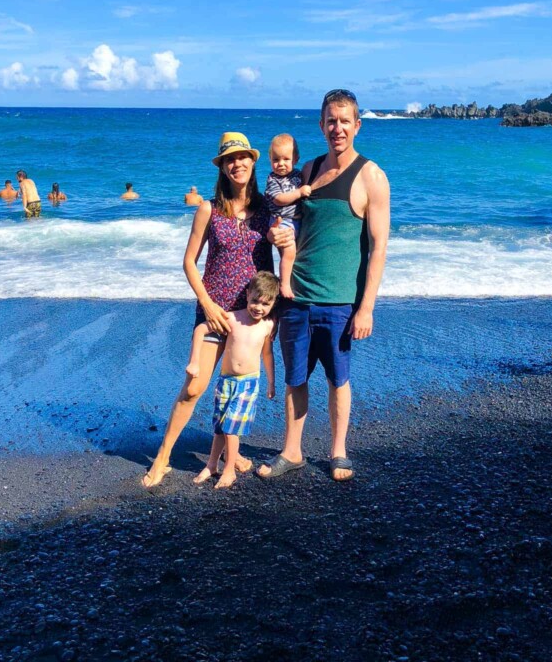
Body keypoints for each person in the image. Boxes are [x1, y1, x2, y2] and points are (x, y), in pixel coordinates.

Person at [258, 89, 390, 482]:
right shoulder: (307, 171)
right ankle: (293, 451)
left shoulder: (371, 176)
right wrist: (274, 237)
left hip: (339, 303)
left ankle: (338, 452)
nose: (337, 128)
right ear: (321, 125)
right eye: (331, 120)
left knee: (338, 379)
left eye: (345, 120)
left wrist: (366, 307)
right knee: (295, 378)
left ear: (357, 126)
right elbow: (283, 218)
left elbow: (379, 247)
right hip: (296, 296)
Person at [142, 131, 274, 488]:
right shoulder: (208, 209)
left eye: (242, 157)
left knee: (238, 385)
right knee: (193, 389)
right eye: (230, 159)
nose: (237, 164)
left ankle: (232, 455)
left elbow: (286, 248)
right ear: (222, 167)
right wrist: (207, 303)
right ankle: (163, 457)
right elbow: (188, 262)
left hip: (250, 316)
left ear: (252, 161)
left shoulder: (266, 210)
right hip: (214, 313)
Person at [190, 271, 278, 489]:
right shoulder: (232, 318)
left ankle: (229, 470)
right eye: (255, 300)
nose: (259, 307)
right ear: (247, 295)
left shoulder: (267, 326)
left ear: (273, 304)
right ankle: (212, 465)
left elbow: (267, 354)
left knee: (231, 428)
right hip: (226, 381)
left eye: (266, 304)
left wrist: (271, 381)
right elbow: (201, 329)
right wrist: (194, 361)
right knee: (220, 426)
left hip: (248, 383)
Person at [265, 134, 311, 299]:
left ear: (296, 159)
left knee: (297, 252)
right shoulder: (273, 179)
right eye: (276, 159)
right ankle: (284, 284)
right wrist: (299, 192)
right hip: (282, 220)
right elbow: (278, 200)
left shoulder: (298, 175)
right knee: (289, 251)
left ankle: (294, 281)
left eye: (286, 159)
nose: (281, 164)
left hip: (296, 220)